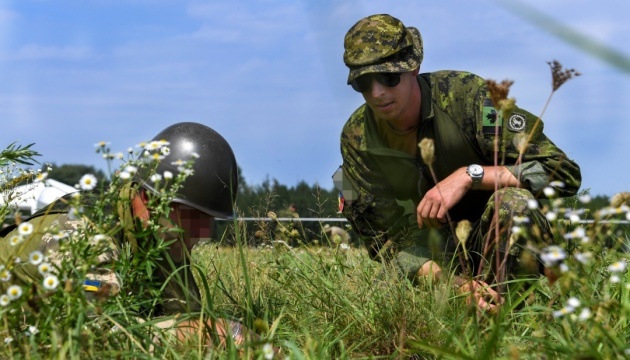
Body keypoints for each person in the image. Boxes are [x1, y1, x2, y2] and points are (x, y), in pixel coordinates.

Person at [334, 14, 581, 312]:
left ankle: (504, 320)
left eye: (389, 77)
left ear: (414, 67)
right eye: (363, 82)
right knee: (378, 301)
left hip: (490, 243)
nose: (377, 93)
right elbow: (386, 245)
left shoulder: (468, 98)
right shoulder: (357, 138)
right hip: (427, 263)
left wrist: (470, 176)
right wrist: (455, 285)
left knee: (515, 203)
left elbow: (563, 173)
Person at [0, 122, 265, 350]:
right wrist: (205, 334)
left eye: (209, 221)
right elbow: (94, 335)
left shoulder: (157, 236)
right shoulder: (83, 235)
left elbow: (184, 315)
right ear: (150, 200)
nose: (205, 232)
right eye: (195, 217)